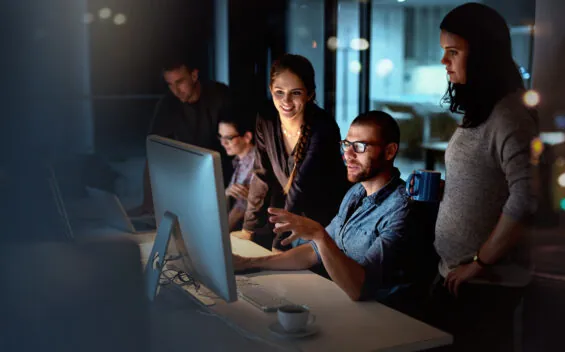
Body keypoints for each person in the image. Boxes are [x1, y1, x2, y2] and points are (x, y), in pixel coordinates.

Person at [234, 111, 437, 316]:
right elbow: (313, 252)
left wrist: (319, 235)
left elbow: (358, 288)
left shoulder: (402, 209)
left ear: (390, 151)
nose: (347, 155)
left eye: (360, 146)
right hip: (349, 309)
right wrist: (250, 263)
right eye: (347, 145)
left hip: (387, 319)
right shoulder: (356, 192)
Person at [426, 3, 538, 351]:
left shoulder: (510, 114)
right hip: (457, 275)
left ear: (483, 55)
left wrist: (480, 262)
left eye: (453, 52)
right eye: (444, 51)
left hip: (486, 284)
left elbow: (526, 198)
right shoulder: (484, 108)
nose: (445, 61)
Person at [234, 54, 349, 251]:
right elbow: (261, 175)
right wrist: (249, 228)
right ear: (271, 90)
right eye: (279, 92)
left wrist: (280, 243)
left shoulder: (323, 127)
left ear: (310, 94)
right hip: (287, 217)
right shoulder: (266, 119)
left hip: (325, 224)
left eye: (295, 93)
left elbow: (300, 187)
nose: (286, 101)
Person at [128, 52, 232, 216]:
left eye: (180, 82)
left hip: (226, 174)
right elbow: (154, 154)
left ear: (194, 75)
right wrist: (148, 202)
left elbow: (242, 146)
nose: (175, 90)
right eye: (170, 84)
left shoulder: (221, 96)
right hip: (189, 176)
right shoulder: (167, 104)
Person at [217, 115, 256, 231]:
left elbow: (239, 210)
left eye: (228, 138)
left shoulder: (255, 164)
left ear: (247, 137)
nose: (223, 143)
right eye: (220, 137)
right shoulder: (239, 159)